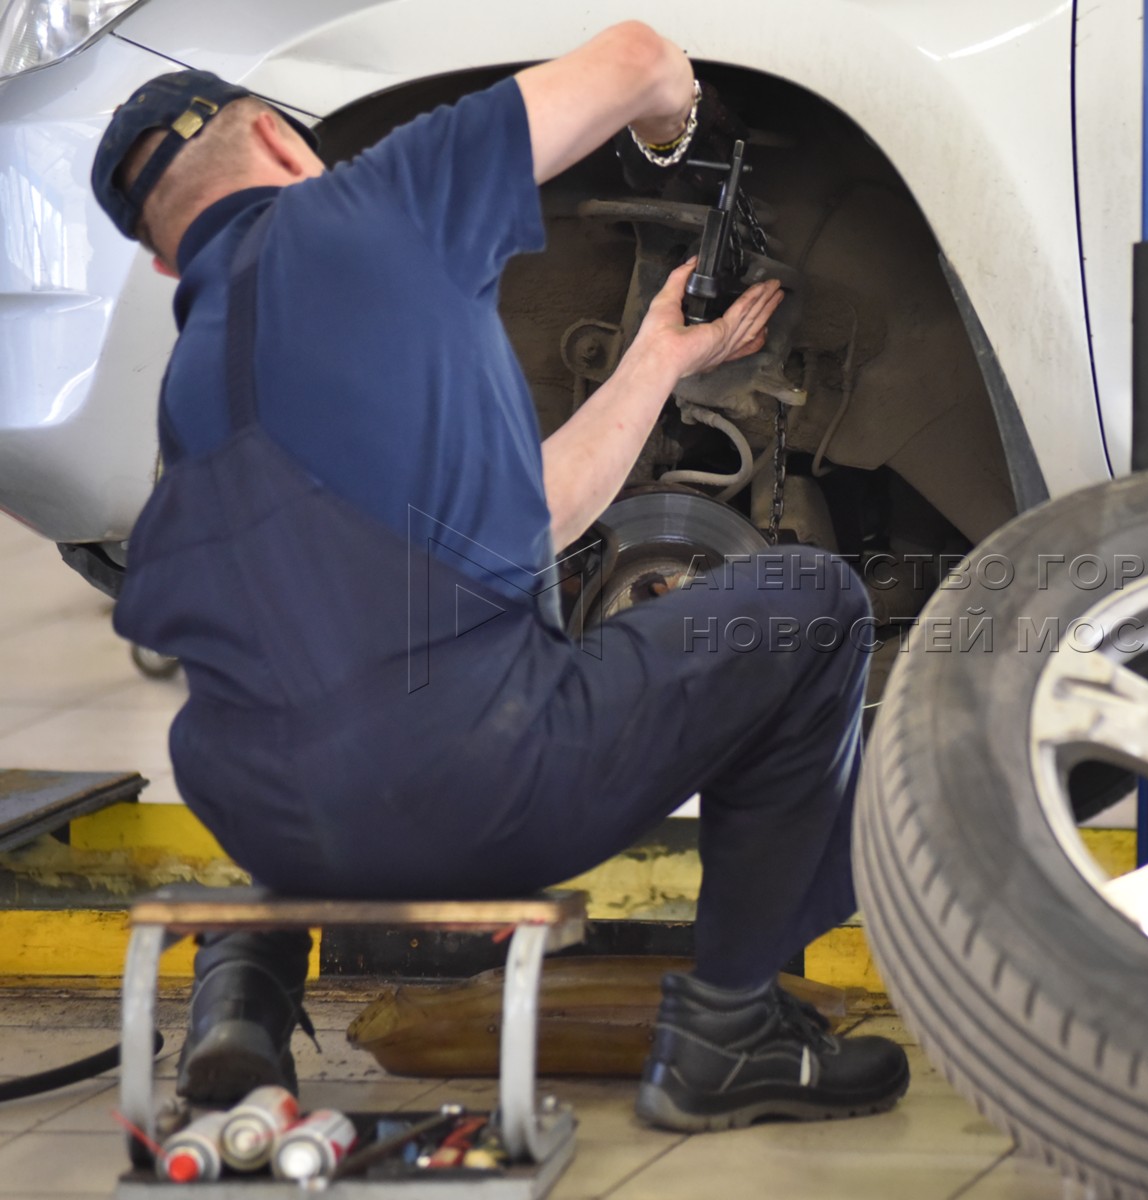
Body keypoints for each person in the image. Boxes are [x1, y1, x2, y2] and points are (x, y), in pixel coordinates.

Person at [87, 21, 907, 1131]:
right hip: (484, 792)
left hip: (266, 824)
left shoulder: (193, 383)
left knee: (323, 705)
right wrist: (681, 139)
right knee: (815, 604)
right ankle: (730, 1028)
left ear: (163, 258)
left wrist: (657, 360)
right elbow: (637, 56)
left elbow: (534, 518)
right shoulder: (375, 200)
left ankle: (244, 981)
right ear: (283, 144)